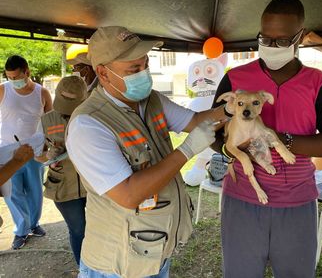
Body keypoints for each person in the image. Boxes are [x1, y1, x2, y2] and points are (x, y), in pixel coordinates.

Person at [65, 26, 227, 277]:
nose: (144, 74)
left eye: (145, 64)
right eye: (133, 70)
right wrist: (186, 150)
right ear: (103, 73)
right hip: (117, 265)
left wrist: (234, 108)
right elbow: (129, 195)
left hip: (154, 250)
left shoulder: (152, 101)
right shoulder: (88, 125)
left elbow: (196, 121)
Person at [211, 0, 322, 278]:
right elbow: (212, 132)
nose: (272, 47)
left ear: (300, 37)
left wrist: (279, 141)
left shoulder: (317, 82)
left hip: (297, 203)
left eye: (282, 41)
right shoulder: (235, 80)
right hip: (243, 200)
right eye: (266, 38)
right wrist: (233, 151)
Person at [0, 55, 53, 249]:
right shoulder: (2, 90)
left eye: (17, 77)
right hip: (7, 153)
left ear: (27, 72)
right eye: (10, 77)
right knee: (12, 193)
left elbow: (50, 123)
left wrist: (49, 148)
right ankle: (21, 230)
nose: (13, 81)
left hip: (34, 152)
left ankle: (34, 223)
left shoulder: (43, 93)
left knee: (35, 191)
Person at [38, 75, 87, 265]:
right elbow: (37, 154)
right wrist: (49, 156)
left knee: (99, 229)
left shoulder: (93, 116)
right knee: (78, 230)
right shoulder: (46, 120)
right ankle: (83, 270)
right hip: (63, 187)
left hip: (94, 184)